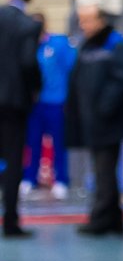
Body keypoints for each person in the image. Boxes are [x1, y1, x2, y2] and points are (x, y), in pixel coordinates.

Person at [64, 5, 123, 236]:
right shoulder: (87, 45)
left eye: (87, 20)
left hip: (109, 122)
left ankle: (101, 218)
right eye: (81, 21)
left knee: (105, 170)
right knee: (102, 171)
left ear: (100, 20)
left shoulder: (114, 43)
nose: (83, 26)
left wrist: (103, 109)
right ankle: (113, 219)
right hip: (92, 121)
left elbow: (120, 80)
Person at [0, 0, 41, 237]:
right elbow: (28, 63)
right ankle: (11, 221)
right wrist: (36, 88)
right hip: (14, 103)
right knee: (13, 160)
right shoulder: (29, 25)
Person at [21, 12, 75, 199]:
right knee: (32, 142)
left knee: (59, 142)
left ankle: (61, 179)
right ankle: (29, 177)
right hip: (34, 103)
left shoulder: (58, 43)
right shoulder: (27, 46)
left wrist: (69, 97)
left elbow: (71, 69)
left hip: (56, 101)